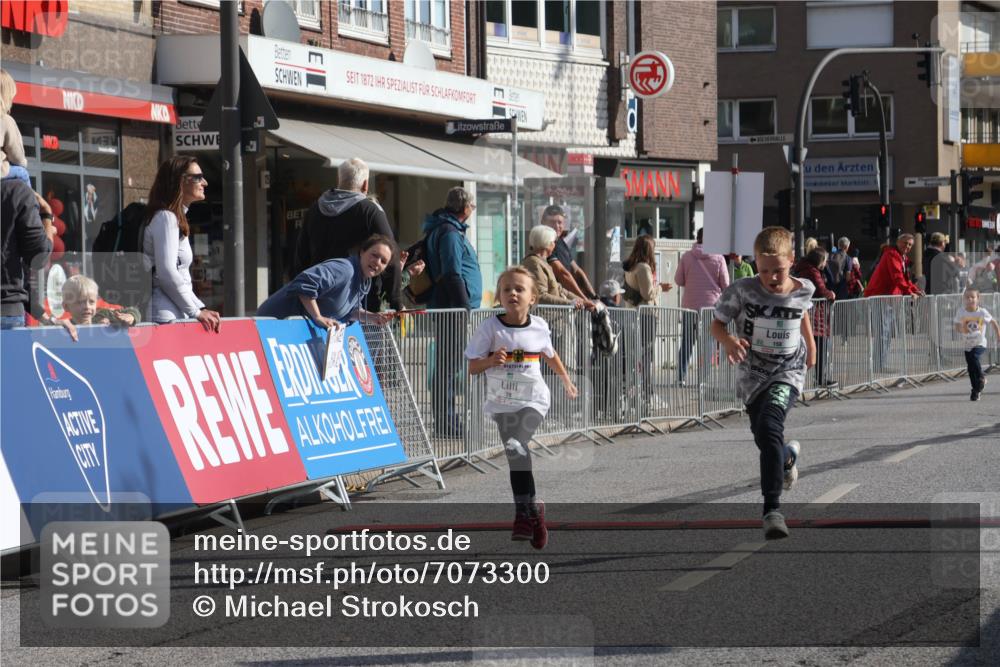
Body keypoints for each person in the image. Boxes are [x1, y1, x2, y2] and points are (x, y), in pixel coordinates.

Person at [712, 226, 815, 540]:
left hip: (788, 370)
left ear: (792, 261)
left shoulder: (803, 288)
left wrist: (811, 346)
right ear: (755, 262)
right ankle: (785, 458)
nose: (771, 277)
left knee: (770, 426)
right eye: (764, 269)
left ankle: (772, 509)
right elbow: (716, 324)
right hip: (752, 375)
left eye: (778, 270)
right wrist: (729, 340)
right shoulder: (742, 290)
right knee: (764, 437)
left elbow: (803, 315)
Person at [465, 266, 578, 550]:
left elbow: (550, 355)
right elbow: (472, 367)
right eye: (506, 289)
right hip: (502, 401)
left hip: (533, 399)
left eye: (519, 289)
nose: (512, 293)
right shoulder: (490, 327)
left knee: (517, 445)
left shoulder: (539, 326)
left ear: (533, 298)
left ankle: (522, 515)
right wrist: (490, 361)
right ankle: (534, 512)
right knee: (516, 454)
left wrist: (566, 381)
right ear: (500, 297)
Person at [293, 158, 401, 312]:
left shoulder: (315, 209)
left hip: (318, 300)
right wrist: (395, 299)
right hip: (358, 302)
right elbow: (390, 253)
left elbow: (301, 256)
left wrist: (303, 293)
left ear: (339, 179)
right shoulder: (370, 211)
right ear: (365, 185)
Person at [422, 187, 483, 438]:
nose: (473, 210)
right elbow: (452, 272)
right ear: (466, 208)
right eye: (473, 206)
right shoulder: (448, 232)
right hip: (452, 309)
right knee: (449, 366)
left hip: (450, 307)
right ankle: (446, 423)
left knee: (449, 365)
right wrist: (464, 308)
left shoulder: (447, 229)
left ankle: (449, 420)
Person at [142, 156, 221, 332]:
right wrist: (196, 311)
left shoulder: (172, 217)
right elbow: (167, 272)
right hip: (165, 314)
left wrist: (199, 308)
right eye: (198, 177)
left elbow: (178, 275)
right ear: (180, 181)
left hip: (173, 311)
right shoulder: (166, 218)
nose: (205, 183)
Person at [257, 234, 394, 329]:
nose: (377, 262)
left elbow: (348, 311)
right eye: (374, 255)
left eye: (383, 261)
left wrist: (372, 317)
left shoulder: (365, 281)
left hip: (291, 330)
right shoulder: (345, 269)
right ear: (362, 252)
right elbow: (304, 283)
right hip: (270, 325)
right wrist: (318, 317)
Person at [674, 227, 729, 384]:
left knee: (687, 342)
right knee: (708, 342)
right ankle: (703, 380)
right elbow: (726, 285)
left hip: (690, 306)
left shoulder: (687, 256)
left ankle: (680, 377)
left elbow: (678, 280)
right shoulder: (719, 258)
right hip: (710, 308)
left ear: (697, 238)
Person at [623, 235, 673, 403]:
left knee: (638, 353)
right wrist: (660, 287)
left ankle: (641, 389)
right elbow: (648, 294)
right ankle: (646, 391)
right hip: (646, 315)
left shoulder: (631, 267)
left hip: (633, 313)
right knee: (646, 354)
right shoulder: (643, 267)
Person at [864, 234, 923, 372]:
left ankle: (880, 364)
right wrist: (910, 292)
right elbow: (897, 277)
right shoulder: (892, 255)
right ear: (898, 242)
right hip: (881, 296)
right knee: (883, 332)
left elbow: (905, 278)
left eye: (909, 245)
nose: (907, 246)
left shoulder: (901, 257)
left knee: (886, 332)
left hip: (889, 297)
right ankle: (879, 365)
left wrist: (916, 290)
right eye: (905, 243)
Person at [1, 179, 52, 329]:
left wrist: (44, 316)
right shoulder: (16, 190)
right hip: (5, 311)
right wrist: (47, 218)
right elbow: (39, 257)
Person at [521, 224, 592, 309]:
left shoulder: (542, 262)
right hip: (546, 318)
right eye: (554, 242)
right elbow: (541, 296)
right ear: (547, 243)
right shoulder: (534, 263)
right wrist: (570, 303)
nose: (555, 245)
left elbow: (559, 289)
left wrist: (581, 301)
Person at [793, 247, 836, 386]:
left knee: (812, 348)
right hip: (813, 314)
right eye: (825, 260)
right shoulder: (812, 271)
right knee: (818, 347)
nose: (826, 263)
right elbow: (820, 290)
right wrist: (831, 294)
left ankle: (818, 378)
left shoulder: (805, 268)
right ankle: (819, 379)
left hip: (812, 313)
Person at [540, 205, 598, 302]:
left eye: (560, 222)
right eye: (552, 222)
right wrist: (584, 299)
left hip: (567, 300)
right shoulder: (544, 244)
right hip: (554, 302)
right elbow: (563, 274)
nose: (557, 226)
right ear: (543, 222)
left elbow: (577, 271)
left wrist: (594, 296)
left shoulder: (560, 243)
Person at [954, 287, 999, 401]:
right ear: (964, 299)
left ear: (978, 298)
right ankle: (976, 390)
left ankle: (981, 377)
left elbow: (993, 322)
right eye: (967, 297)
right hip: (967, 344)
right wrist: (961, 329)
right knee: (970, 368)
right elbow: (957, 325)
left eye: (972, 297)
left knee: (974, 357)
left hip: (980, 343)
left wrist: (999, 335)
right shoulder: (961, 311)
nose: (970, 299)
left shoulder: (982, 312)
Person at [1, 69, 30, 186]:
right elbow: (17, 157)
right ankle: (30, 204)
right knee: (23, 173)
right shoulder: (5, 119)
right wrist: (24, 162)